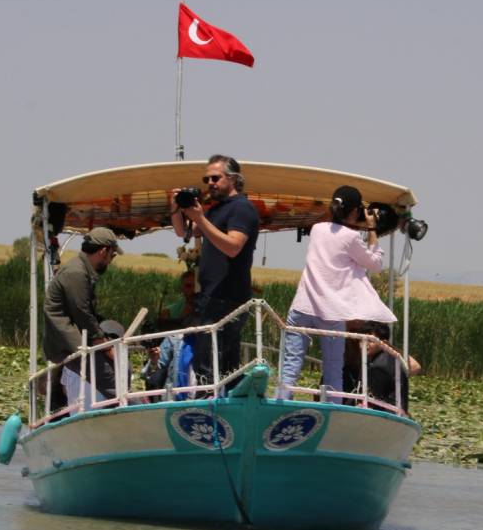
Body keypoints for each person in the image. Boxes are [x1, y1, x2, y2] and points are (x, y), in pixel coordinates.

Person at [276, 185, 396, 402]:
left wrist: (352, 220)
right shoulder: (351, 237)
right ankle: (332, 411)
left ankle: (280, 402)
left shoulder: (317, 229)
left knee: (291, 365)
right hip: (330, 312)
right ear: (355, 211)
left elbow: (332, 229)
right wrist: (371, 231)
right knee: (333, 368)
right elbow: (375, 264)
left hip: (302, 306)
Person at [170, 154, 259, 391]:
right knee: (208, 360)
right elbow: (184, 233)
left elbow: (233, 246)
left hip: (228, 297)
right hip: (210, 296)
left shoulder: (242, 209)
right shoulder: (216, 210)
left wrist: (199, 216)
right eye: (206, 178)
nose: (209, 183)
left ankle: (211, 409)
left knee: (212, 362)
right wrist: (177, 208)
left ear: (233, 179)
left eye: (215, 178)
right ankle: (217, 405)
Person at [42, 226, 123, 414]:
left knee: (114, 371)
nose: (111, 261)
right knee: (110, 378)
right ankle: (127, 414)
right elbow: (82, 312)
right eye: (112, 255)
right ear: (103, 251)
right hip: (67, 342)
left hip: (74, 340)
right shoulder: (77, 273)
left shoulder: (81, 270)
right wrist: (103, 343)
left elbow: (86, 312)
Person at [342, 321, 421, 413]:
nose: (364, 344)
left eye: (370, 341)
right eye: (362, 340)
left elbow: (373, 398)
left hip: (388, 415)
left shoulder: (380, 366)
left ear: (383, 343)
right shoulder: (381, 360)